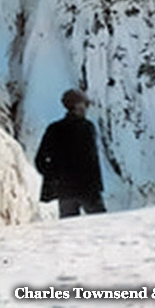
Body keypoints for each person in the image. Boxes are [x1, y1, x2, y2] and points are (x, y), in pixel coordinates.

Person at [35, 89, 106, 218]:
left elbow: (40, 160)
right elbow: (92, 160)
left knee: (69, 232)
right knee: (102, 226)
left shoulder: (54, 129)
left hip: (66, 190)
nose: (86, 108)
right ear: (76, 105)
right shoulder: (87, 127)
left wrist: (55, 176)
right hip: (88, 189)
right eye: (84, 104)